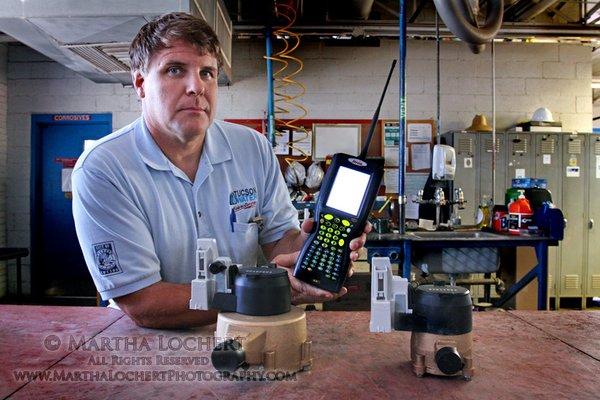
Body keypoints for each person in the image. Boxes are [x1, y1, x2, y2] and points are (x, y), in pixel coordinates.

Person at [72, 12, 370, 329]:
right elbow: (143, 302)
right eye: (175, 70)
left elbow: (278, 241)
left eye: (207, 73)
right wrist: (266, 292)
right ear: (141, 83)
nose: (196, 87)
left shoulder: (253, 148)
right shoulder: (103, 169)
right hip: (150, 344)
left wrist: (310, 251)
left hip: (249, 334)